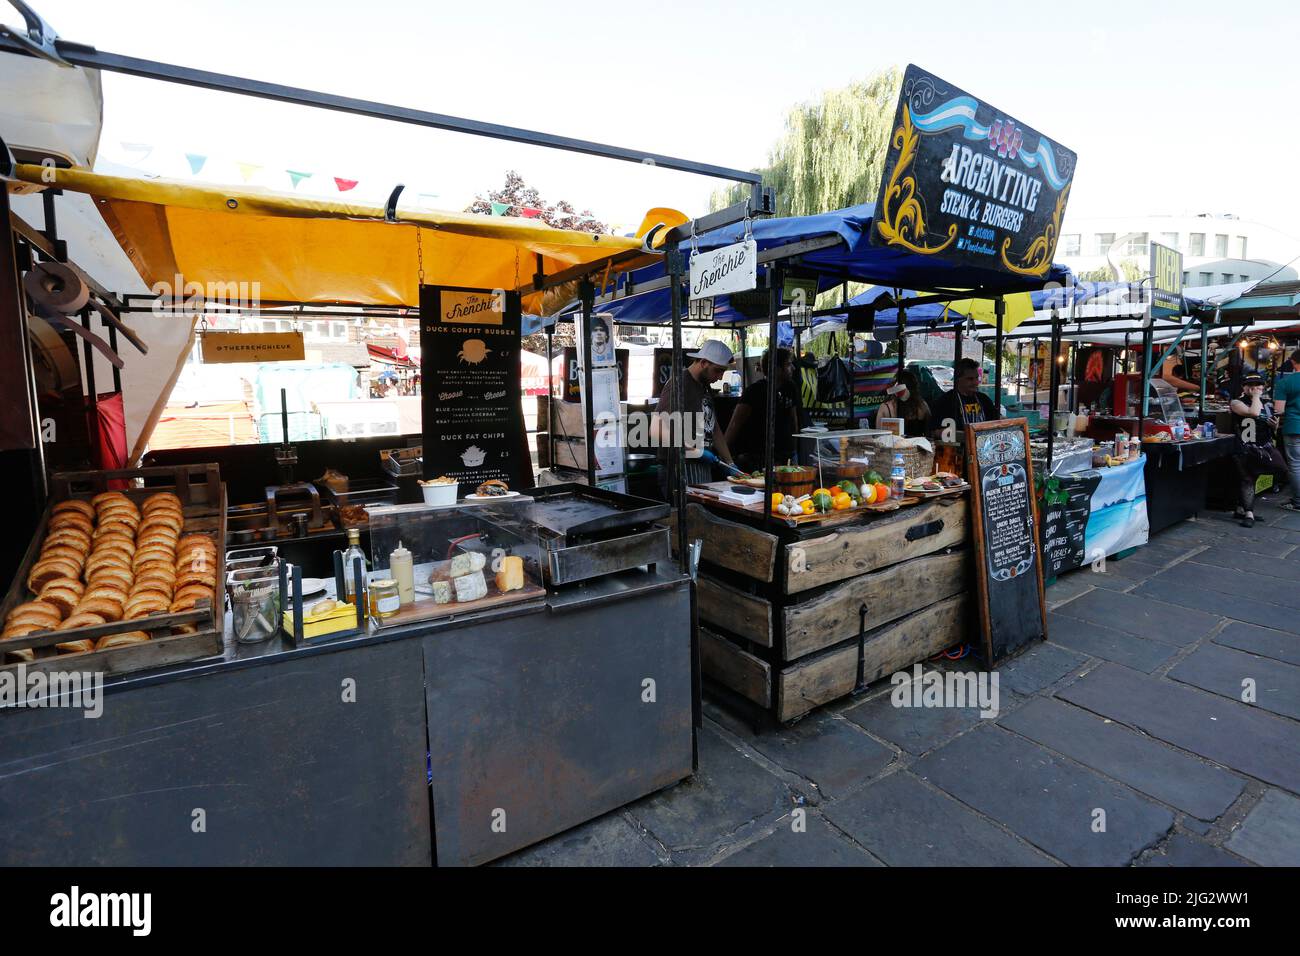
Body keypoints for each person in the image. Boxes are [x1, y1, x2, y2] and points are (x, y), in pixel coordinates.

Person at [652, 339, 736, 499]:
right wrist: (695, 451)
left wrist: (730, 462)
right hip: (680, 467)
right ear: (704, 362)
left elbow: (714, 426)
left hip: (702, 465)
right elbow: (656, 430)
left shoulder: (704, 385)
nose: (720, 377)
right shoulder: (679, 384)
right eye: (718, 371)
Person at [724, 347, 801, 472]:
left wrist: (794, 450)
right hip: (759, 458)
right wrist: (726, 458)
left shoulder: (791, 388)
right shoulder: (754, 391)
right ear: (776, 368)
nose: (793, 368)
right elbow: (735, 424)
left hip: (787, 455)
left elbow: (794, 420)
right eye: (788, 364)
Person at [1230, 375, 1287, 527]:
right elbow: (1253, 413)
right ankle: (1248, 513)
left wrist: (1274, 425)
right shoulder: (1237, 402)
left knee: (1280, 469)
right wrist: (1256, 397)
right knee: (1247, 478)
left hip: (1263, 446)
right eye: (1251, 385)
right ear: (1244, 387)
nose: (1255, 388)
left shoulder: (1267, 404)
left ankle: (1241, 508)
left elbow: (1272, 426)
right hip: (1244, 446)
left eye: (1258, 385)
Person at [928, 357, 998, 438]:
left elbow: (996, 422)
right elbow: (934, 432)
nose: (975, 382)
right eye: (970, 379)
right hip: (957, 449)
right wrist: (963, 436)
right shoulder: (944, 402)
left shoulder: (984, 399)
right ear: (958, 379)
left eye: (976, 378)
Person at [1272, 348, 1300, 512]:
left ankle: (1298, 501)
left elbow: (1279, 410)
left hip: (1294, 426)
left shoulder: (1284, 383)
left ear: (1292, 362)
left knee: (1296, 465)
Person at [875, 368, 931, 438]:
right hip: (917, 447)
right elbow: (929, 433)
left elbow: (878, 437)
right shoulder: (922, 406)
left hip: (893, 447)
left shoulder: (885, 408)